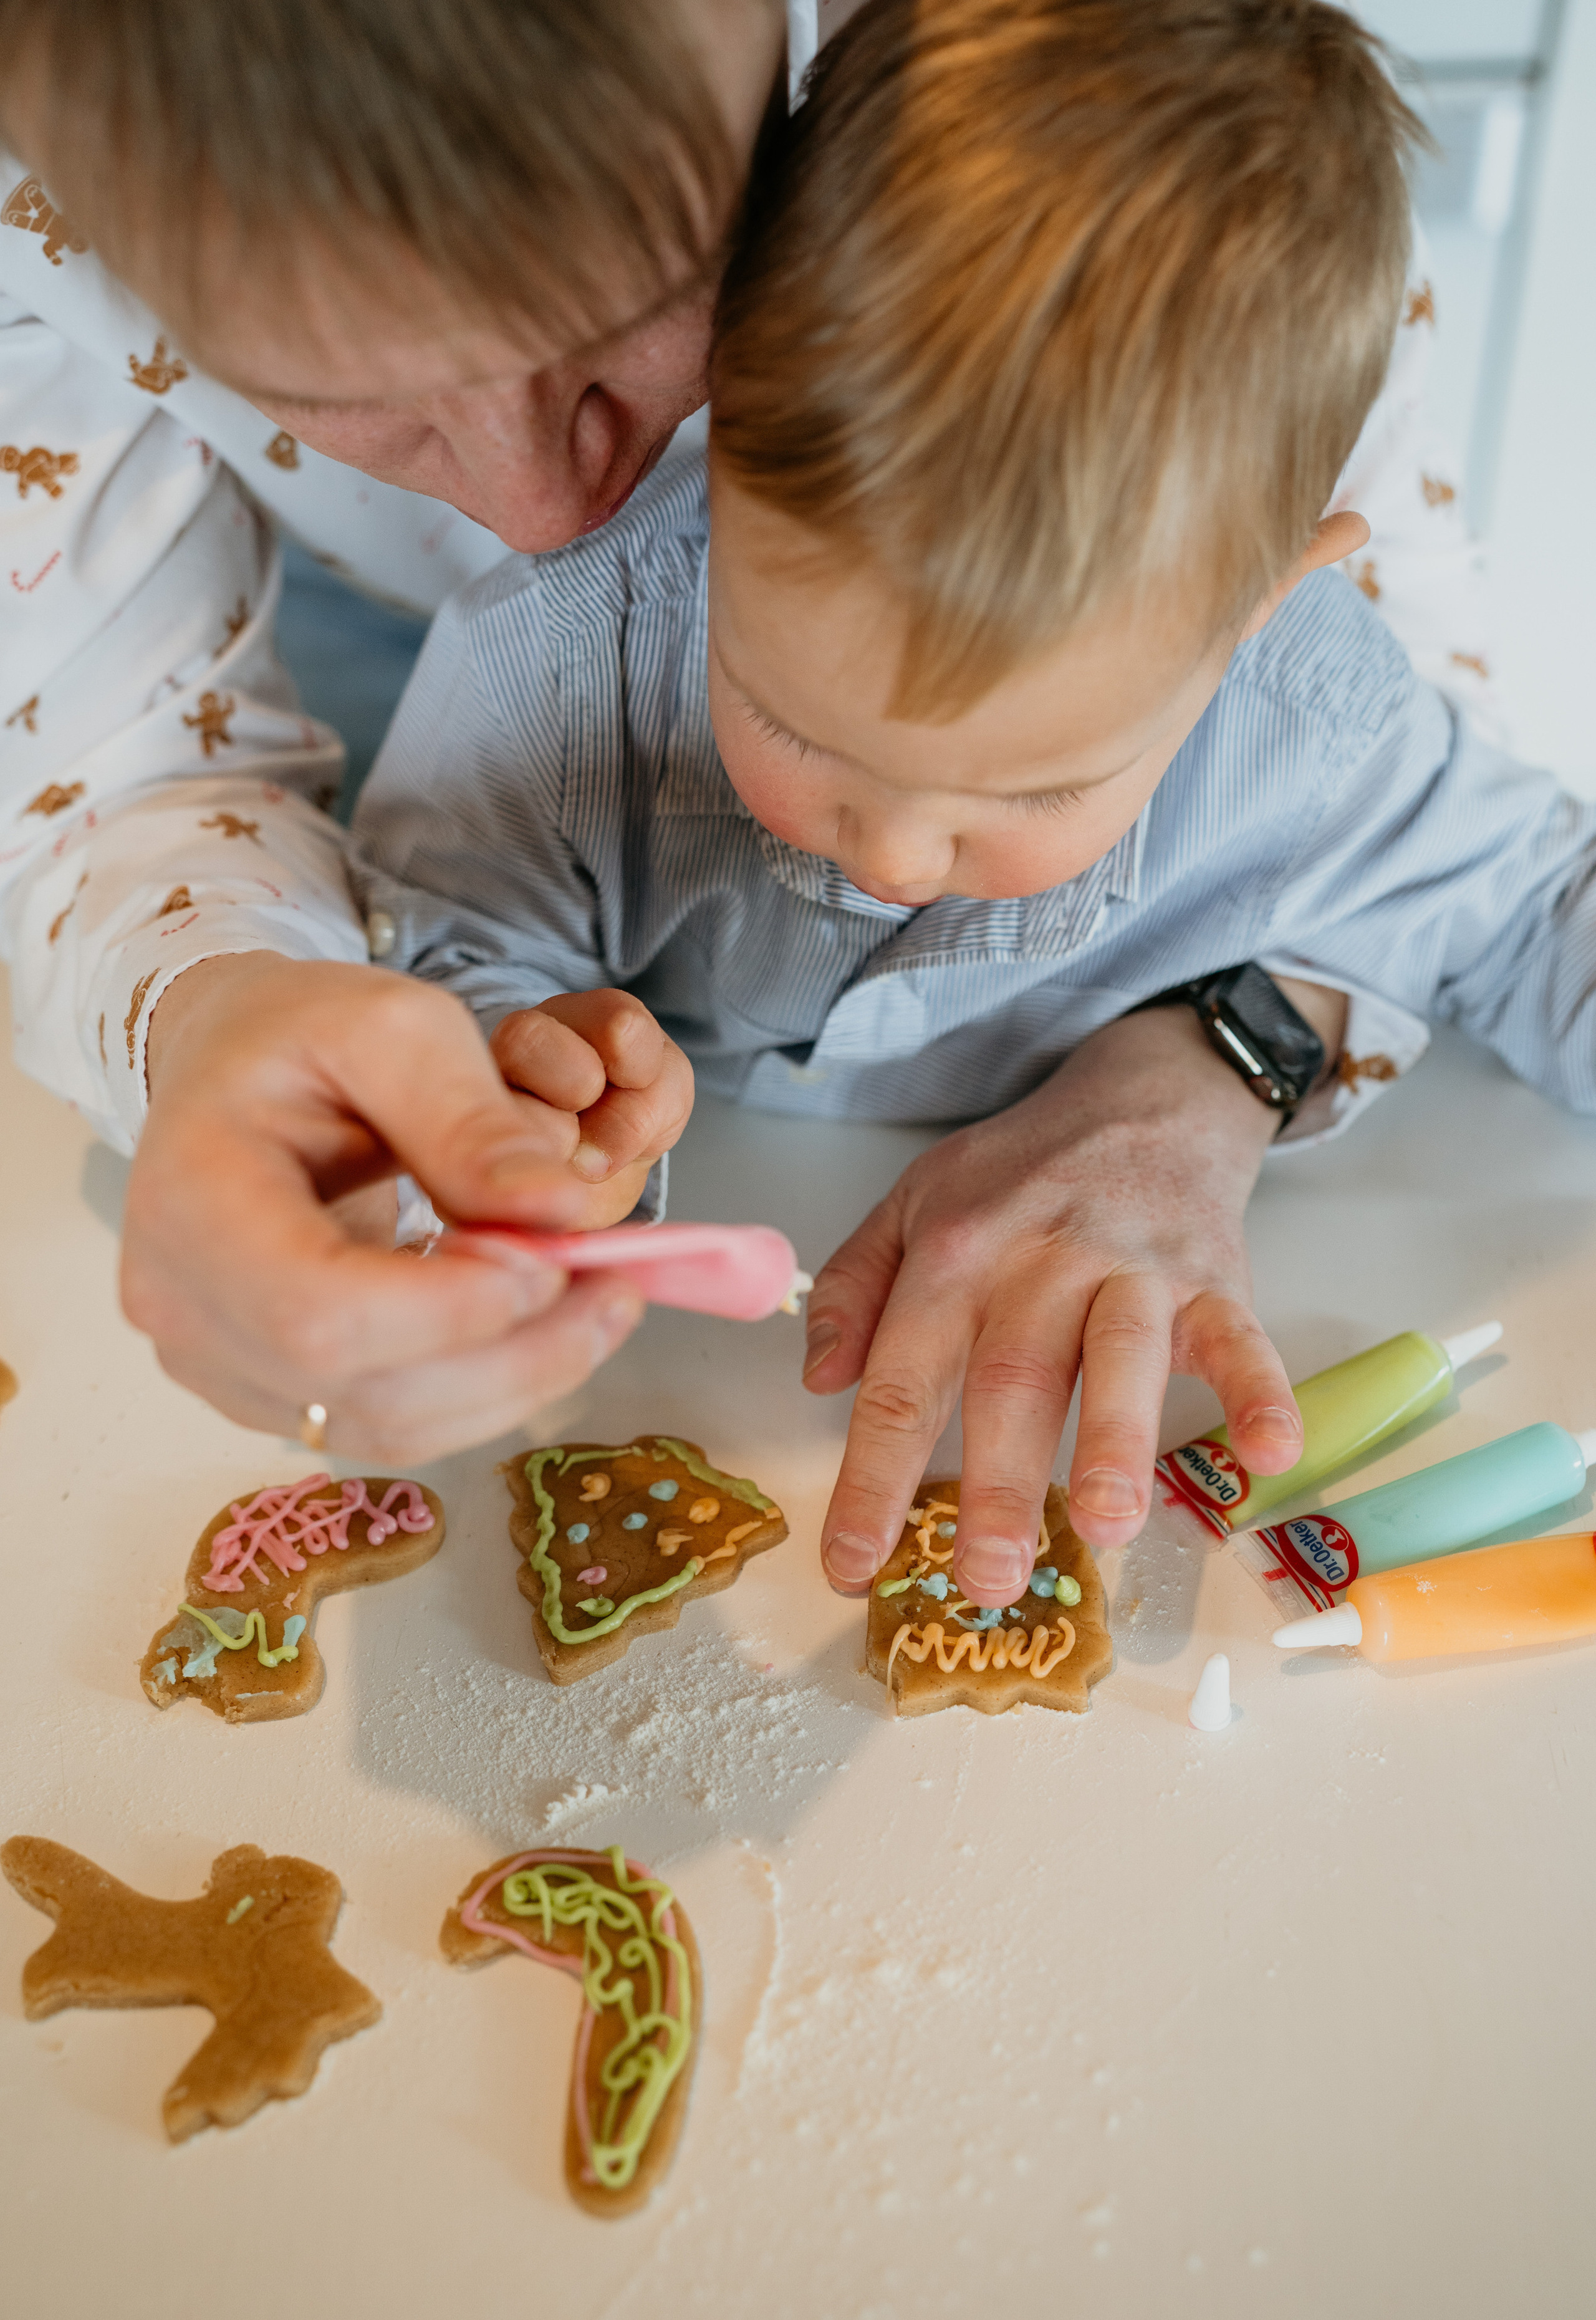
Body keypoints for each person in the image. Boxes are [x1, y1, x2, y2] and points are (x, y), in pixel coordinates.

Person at [0, 0, 1483, 1497]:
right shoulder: (35, 203)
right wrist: (213, 1007)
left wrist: (1210, 1058)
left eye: (630, 302)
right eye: (333, 393)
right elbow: (104, 777)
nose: (542, 521)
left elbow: (1394, 760)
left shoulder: (1157, 108)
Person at [342, 0, 1596, 1615]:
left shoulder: (1320, 716)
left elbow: (1531, 910)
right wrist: (517, 1081)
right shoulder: (558, 666)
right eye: (798, 723)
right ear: (717, 434)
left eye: (1030, 785)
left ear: (1259, 612)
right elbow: (429, 942)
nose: (887, 851)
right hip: (669, 1376)